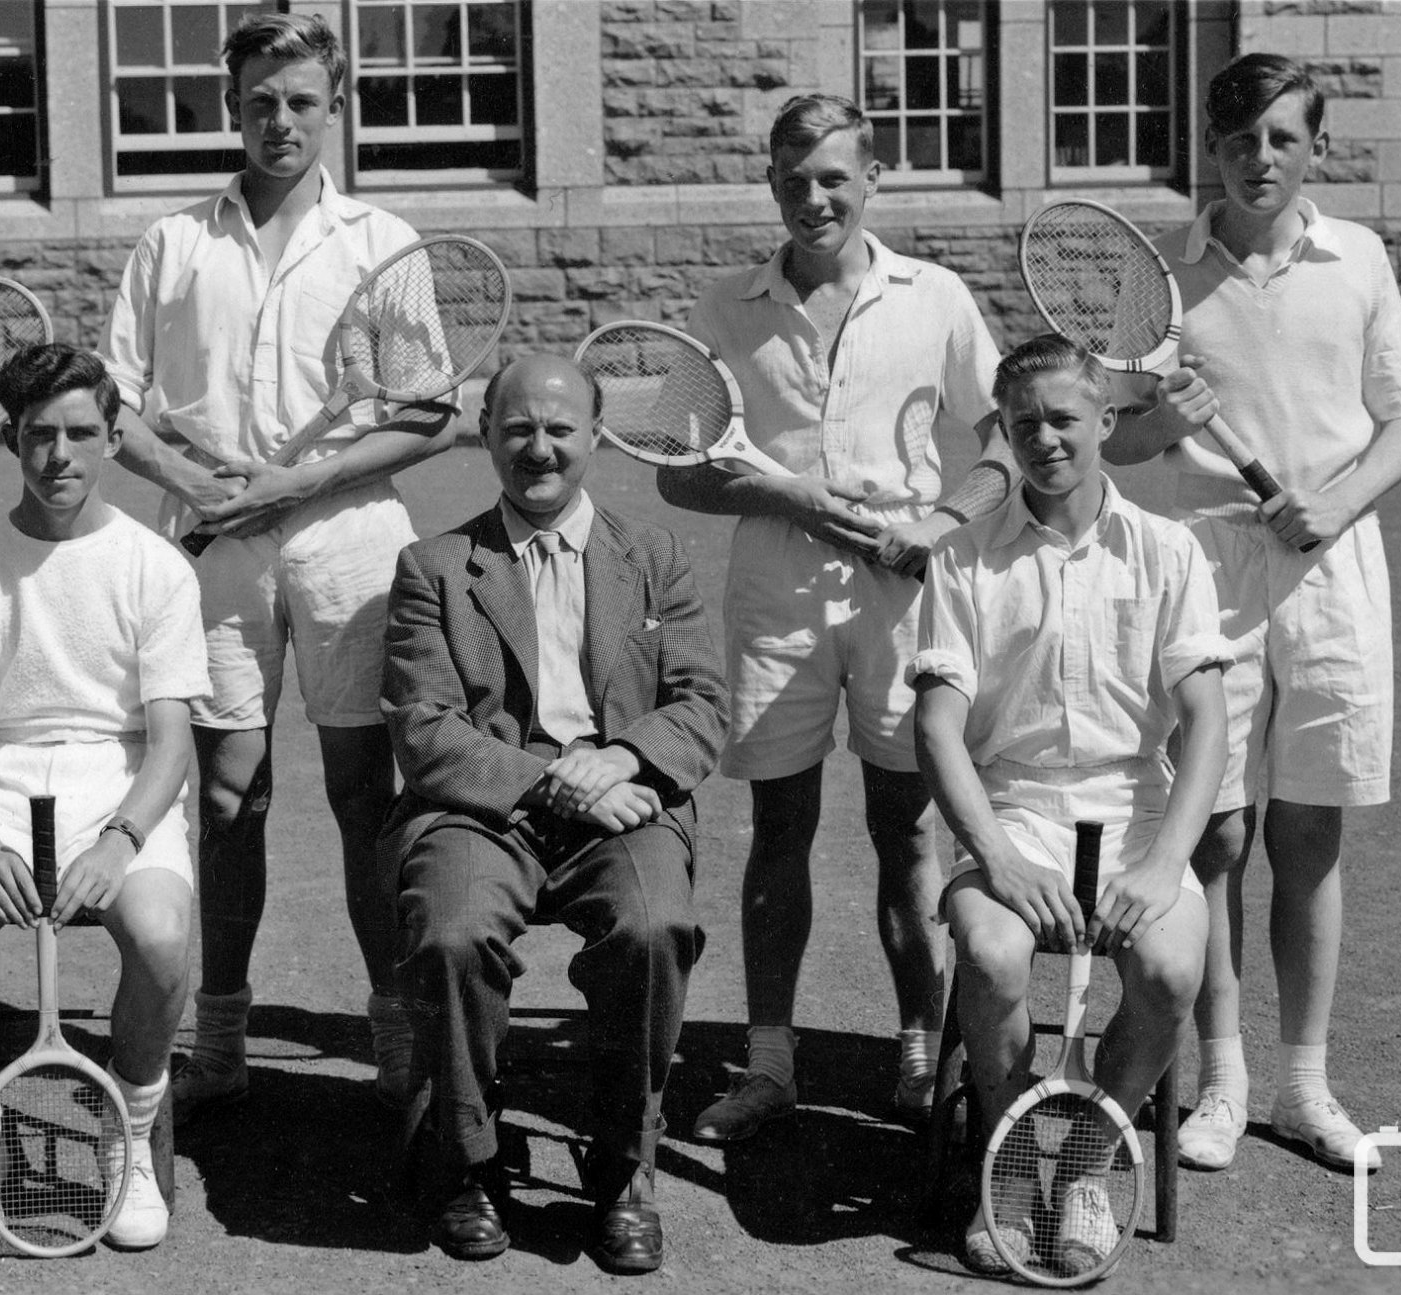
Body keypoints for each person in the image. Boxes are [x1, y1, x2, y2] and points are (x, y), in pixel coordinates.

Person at [102, 10, 456, 1121]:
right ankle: (221, 1032)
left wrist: (296, 484)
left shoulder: (377, 240)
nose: (280, 121)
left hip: (349, 547)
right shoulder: (172, 243)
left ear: (333, 105)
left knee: (366, 793)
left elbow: (428, 413)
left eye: (301, 100)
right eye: (260, 100)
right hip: (210, 552)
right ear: (230, 106)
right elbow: (114, 407)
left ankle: (393, 1030)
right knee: (223, 793)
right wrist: (210, 490)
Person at [657, 93, 1014, 1140]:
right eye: (791, 177)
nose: (811, 198)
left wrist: (942, 520)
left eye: (831, 178)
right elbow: (684, 478)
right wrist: (790, 497)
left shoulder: (934, 296)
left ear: (870, 180)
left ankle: (915, 1045)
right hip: (774, 600)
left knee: (905, 828)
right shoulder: (727, 304)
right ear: (769, 180)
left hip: (901, 598)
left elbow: (1000, 441)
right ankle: (768, 1061)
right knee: (779, 828)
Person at [1106, 53, 1401, 1173]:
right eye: (1239, 140)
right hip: (1206, 567)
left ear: (1313, 150)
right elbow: (1115, 440)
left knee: (1308, 829)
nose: (1259, 160)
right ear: (1210, 146)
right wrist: (1162, 420)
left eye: (1282, 141)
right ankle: (1222, 1080)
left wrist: (1333, 502)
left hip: (1333, 567)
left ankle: (1303, 1083)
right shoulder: (1157, 276)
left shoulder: (1359, 261)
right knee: (1217, 832)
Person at [383, 355, 727, 1273]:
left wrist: (617, 759)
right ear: (487, 437)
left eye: (560, 429)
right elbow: (426, 732)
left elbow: (702, 703)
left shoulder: (653, 556)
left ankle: (623, 1170)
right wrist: (556, 781)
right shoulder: (435, 567)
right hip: (483, 809)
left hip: (625, 799)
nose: (540, 448)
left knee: (654, 926)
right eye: (518, 429)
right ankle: (469, 1165)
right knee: (451, 932)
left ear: (595, 435)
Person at [913, 334, 1231, 1275]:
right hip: (1008, 808)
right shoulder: (963, 558)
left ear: (1106, 422)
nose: (1045, 438)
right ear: (1004, 436)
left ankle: (1089, 1161)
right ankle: (1009, 1163)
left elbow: (1206, 725)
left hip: (1137, 810)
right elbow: (937, 730)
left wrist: (1166, 861)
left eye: (1063, 418)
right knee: (992, 949)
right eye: (1024, 425)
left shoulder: (1169, 549)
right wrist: (1002, 861)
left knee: (1173, 968)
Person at [0, 344, 208, 1253]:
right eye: (40, 436)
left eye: (81, 433)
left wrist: (120, 839)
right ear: (13, 441)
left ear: (114, 438)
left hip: (118, 791)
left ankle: (136, 1136)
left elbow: (171, 742)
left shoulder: (157, 567)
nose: (60, 456)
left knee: (158, 936)